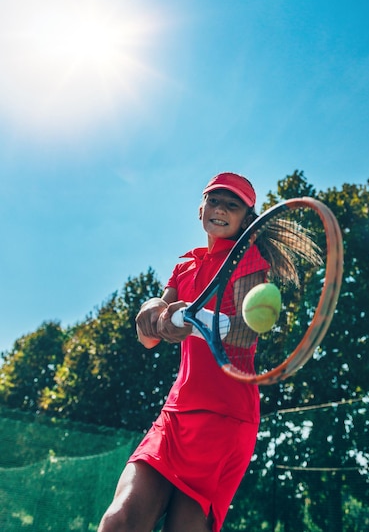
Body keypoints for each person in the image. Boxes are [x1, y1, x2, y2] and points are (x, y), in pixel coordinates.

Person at [98, 172, 315, 532]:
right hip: (175, 415)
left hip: (226, 417)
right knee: (120, 520)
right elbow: (149, 337)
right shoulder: (184, 263)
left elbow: (244, 334)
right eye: (215, 200)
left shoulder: (248, 259)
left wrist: (196, 320)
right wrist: (152, 310)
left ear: (246, 219)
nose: (221, 209)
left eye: (233, 205)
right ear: (201, 207)